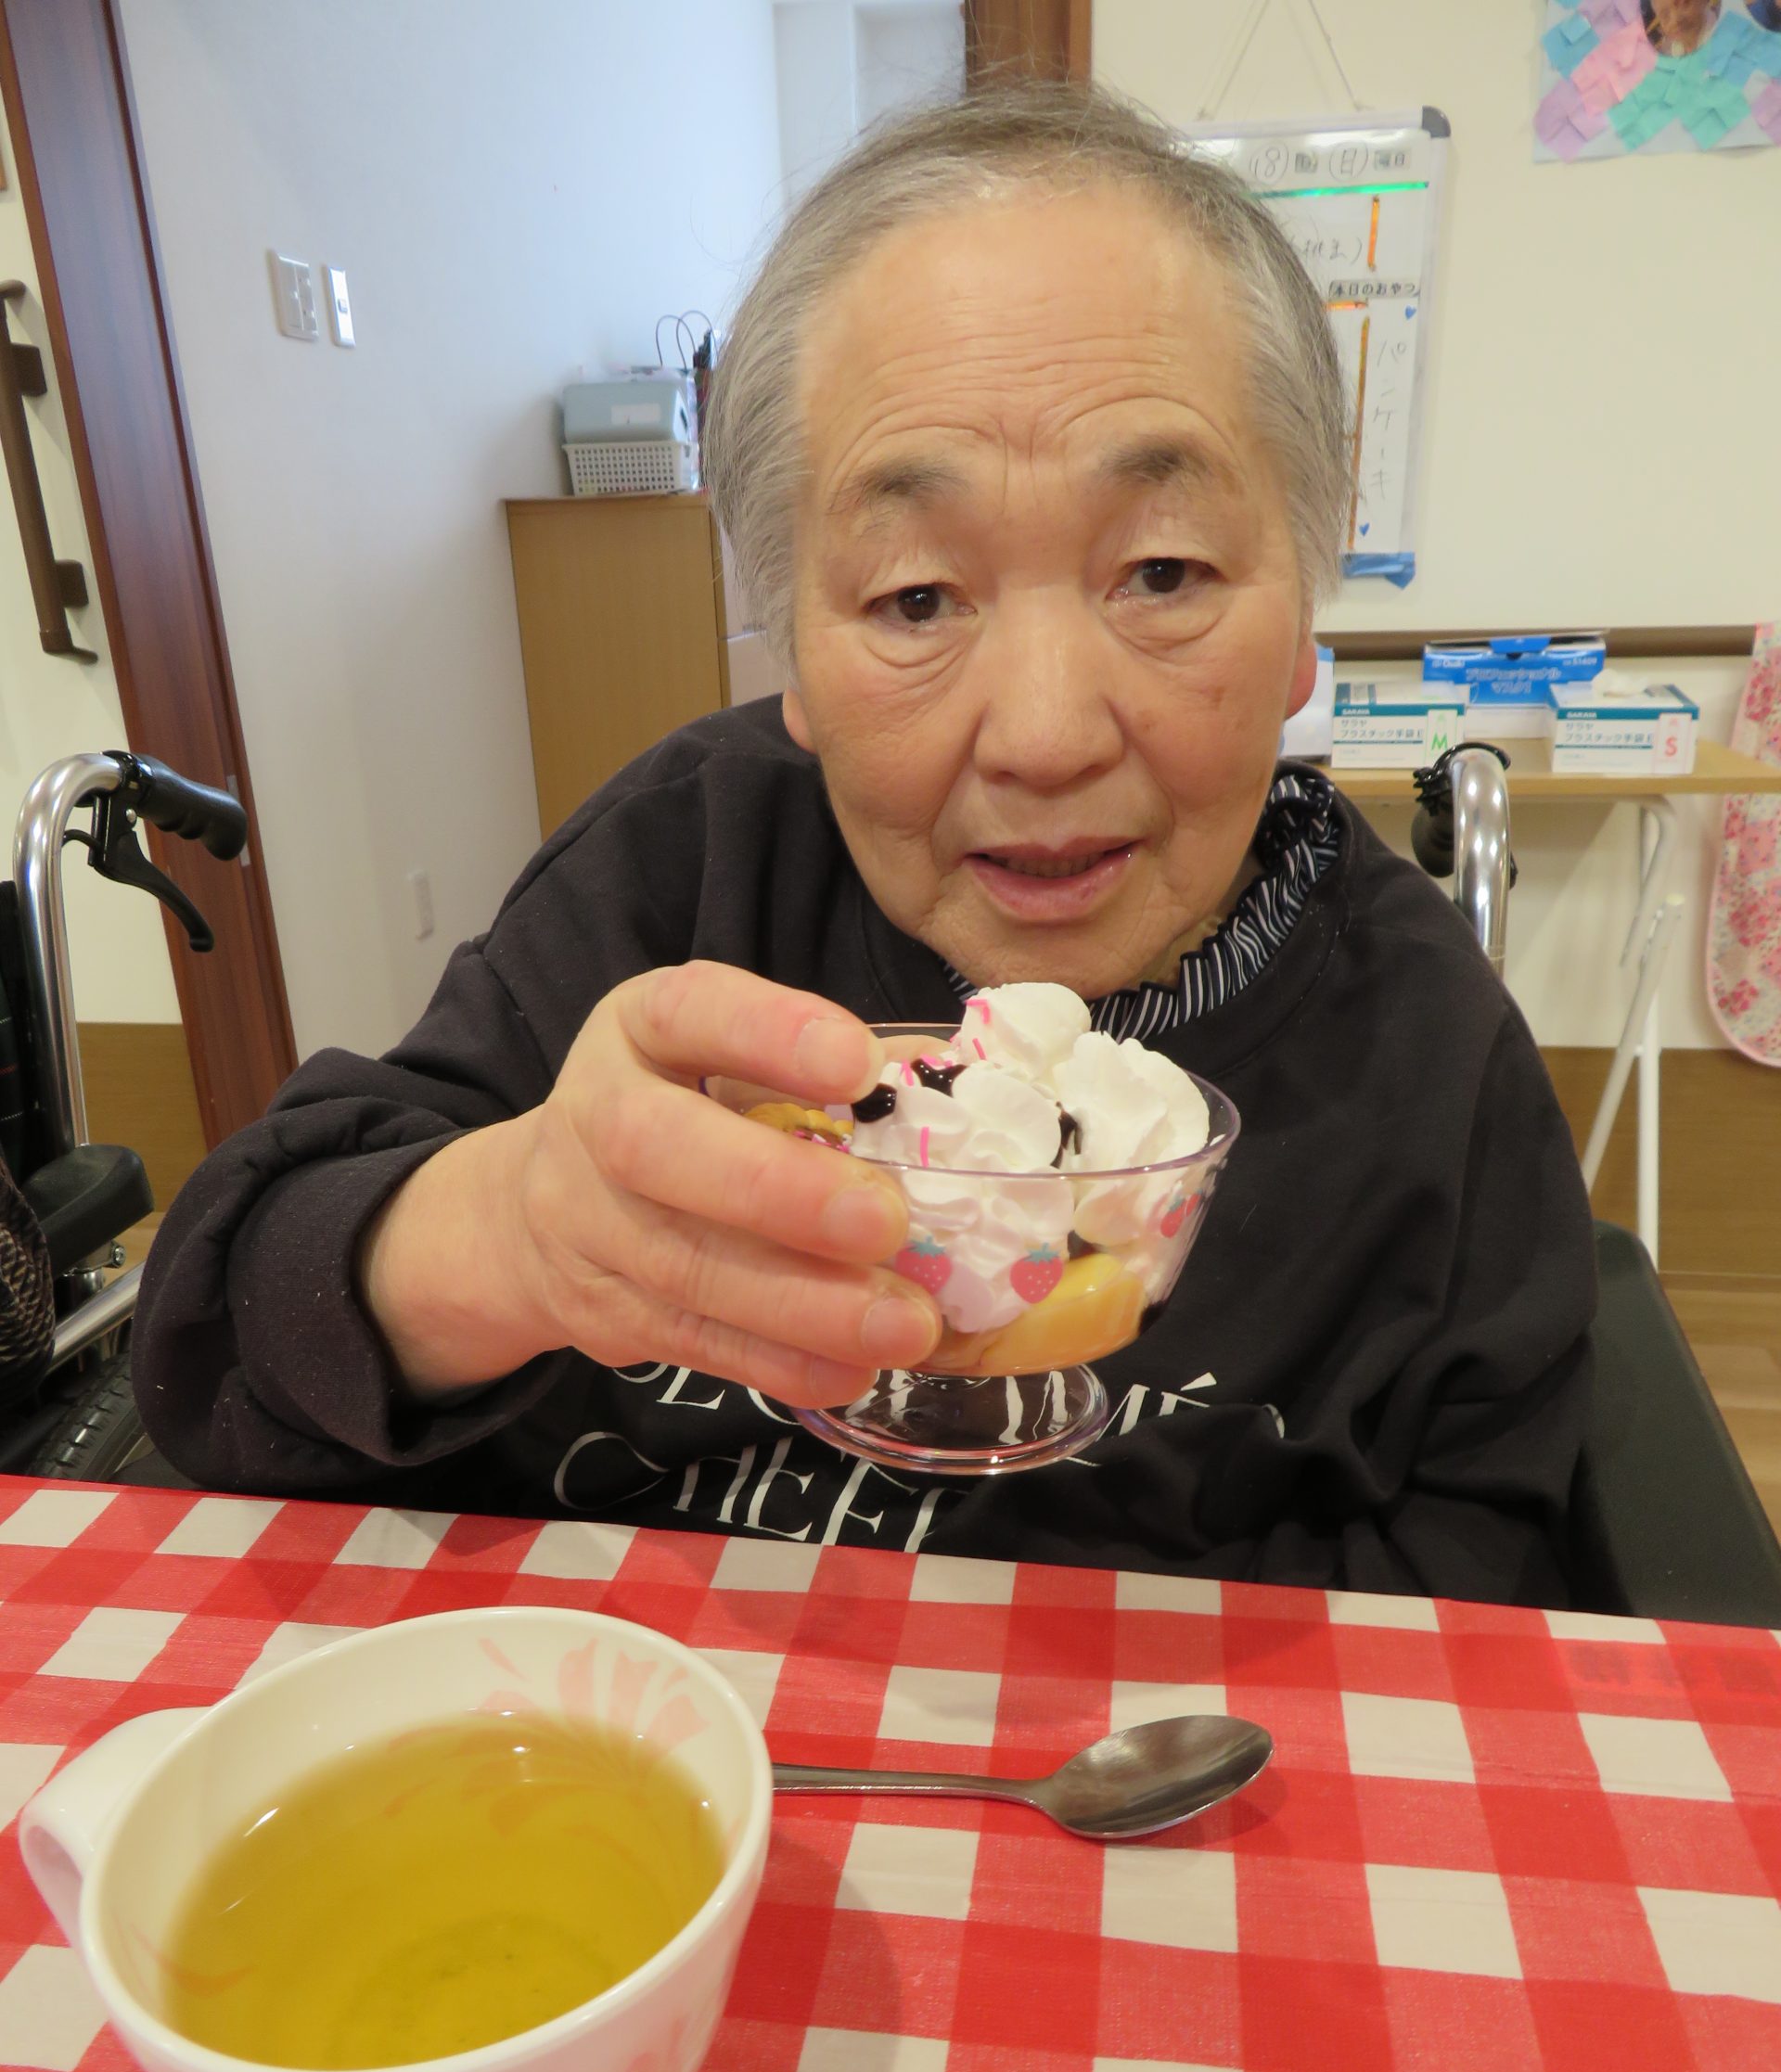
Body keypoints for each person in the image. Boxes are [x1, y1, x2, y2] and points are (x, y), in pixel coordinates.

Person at [134, 82, 1595, 1603]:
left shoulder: (1429, 1054)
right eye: (915, 598)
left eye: (1162, 572)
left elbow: (1495, 1575)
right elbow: (217, 1334)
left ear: (1302, 617)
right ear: (794, 662)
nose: (1044, 735)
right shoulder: (682, 876)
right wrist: (510, 1235)